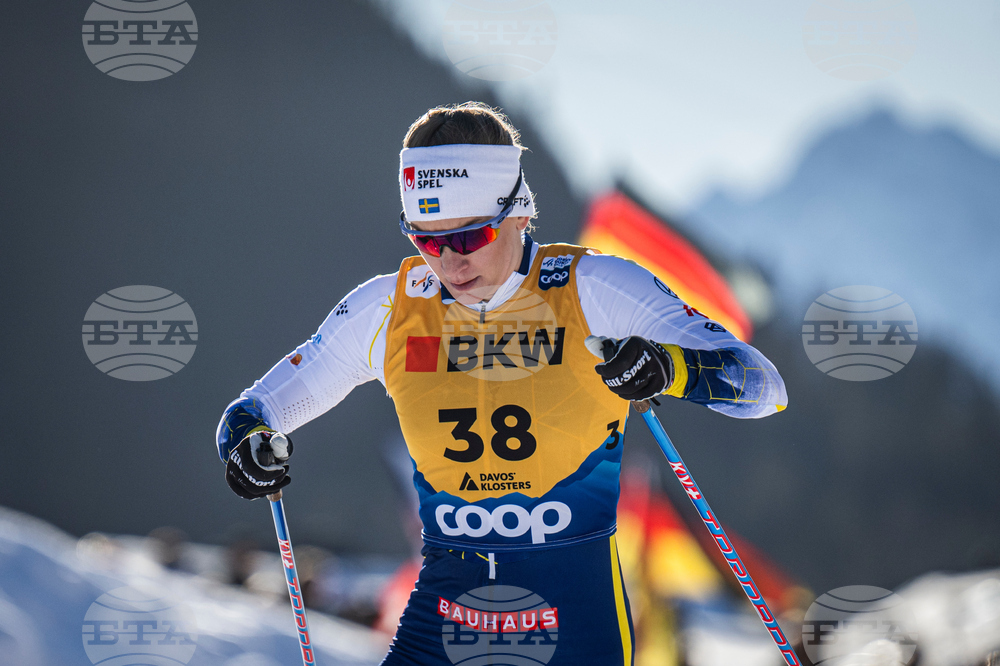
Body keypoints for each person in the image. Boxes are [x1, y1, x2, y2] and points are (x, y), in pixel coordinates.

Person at [216, 102, 787, 665]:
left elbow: (763, 387)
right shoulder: (389, 309)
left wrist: (671, 367)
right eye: (426, 241)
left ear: (518, 211)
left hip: (574, 625)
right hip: (443, 621)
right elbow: (253, 411)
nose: (450, 264)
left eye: (469, 237)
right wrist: (246, 445)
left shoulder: (592, 287)